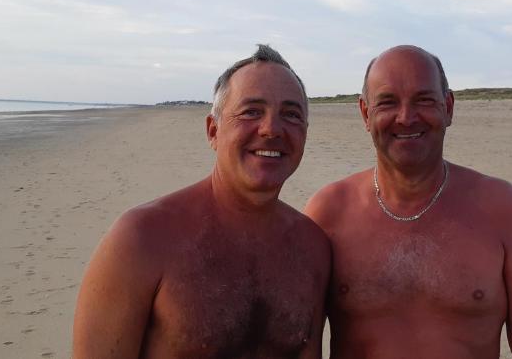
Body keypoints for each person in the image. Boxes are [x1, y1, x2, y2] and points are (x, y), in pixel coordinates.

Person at [304, 45, 512, 359]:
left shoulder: (501, 209)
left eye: (423, 100)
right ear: (365, 113)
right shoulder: (329, 212)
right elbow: (300, 344)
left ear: (448, 107)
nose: (406, 117)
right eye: (387, 102)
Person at [74, 45, 330, 359]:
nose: (271, 129)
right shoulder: (141, 239)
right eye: (251, 111)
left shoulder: (312, 248)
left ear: (305, 132)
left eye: (291, 115)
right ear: (213, 131)